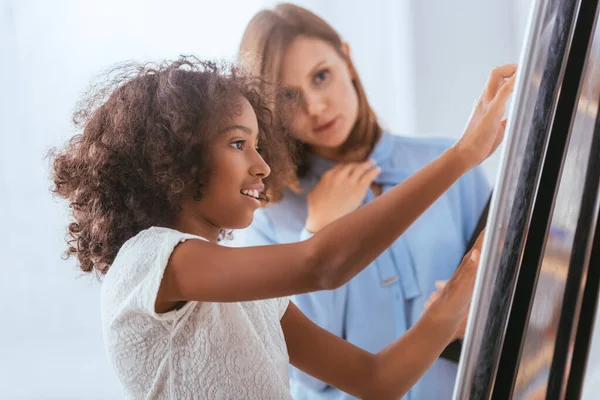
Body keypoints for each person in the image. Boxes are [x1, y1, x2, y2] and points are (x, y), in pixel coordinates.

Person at [50, 56, 514, 399]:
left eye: (257, 144)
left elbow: (376, 381)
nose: (262, 166)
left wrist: (461, 291)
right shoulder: (150, 260)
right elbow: (321, 265)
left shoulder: (252, 294)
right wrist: (462, 156)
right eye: (237, 143)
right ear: (173, 156)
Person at [235, 4, 497, 399]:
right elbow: (310, 376)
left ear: (348, 59)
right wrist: (318, 233)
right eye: (289, 97)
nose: (315, 107)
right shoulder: (267, 220)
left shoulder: (450, 165)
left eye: (321, 76)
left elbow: (521, 292)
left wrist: (481, 312)